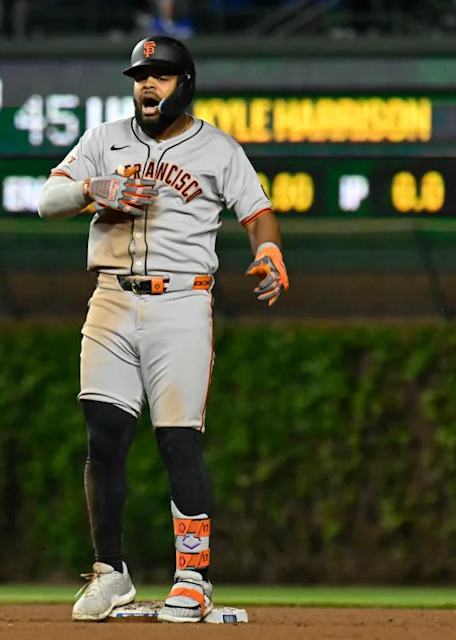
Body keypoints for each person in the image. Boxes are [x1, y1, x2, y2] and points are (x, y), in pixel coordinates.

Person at [37, 35, 288, 623]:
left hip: (181, 303)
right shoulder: (103, 140)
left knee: (179, 439)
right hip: (110, 300)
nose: (147, 84)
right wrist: (92, 189)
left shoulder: (217, 149)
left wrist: (270, 248)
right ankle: (110, 572)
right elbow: (47, 199)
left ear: (186, 84)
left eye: (162, 75)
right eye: (141, 75)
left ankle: (193, 575)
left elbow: (257, 211)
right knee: (104, 436)